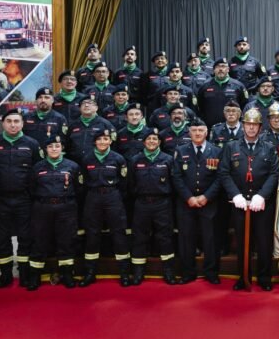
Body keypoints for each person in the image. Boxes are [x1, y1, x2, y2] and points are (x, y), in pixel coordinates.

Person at [219, 108, 279, 291]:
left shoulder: (268, 147)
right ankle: (243, 276)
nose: (251, 128)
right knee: (242, 242)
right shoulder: (232, 147)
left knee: (264, 242)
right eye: (248, 124)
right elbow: (224, 172)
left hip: (263, 204)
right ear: (243, 125)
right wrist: (235, 194)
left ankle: (264, 277)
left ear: (260, 127)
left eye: (255, 125)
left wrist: (262, 195)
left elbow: (274, 173)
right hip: (239, 203)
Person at [0, 108, 42, 288]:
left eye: (16, 121)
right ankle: (5, 274)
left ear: (22, 124)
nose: (13, 124)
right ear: (3, 123)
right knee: (1, 238)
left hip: (24, 199)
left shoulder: (32, 143)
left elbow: (36, 172)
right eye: (9, 121)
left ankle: (24, 273)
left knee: (26, 237)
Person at [172, 118, 223, 284]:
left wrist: (206, 197)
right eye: (194, 130)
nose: (197, 133)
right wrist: (189, 197)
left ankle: (211, 272)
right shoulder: (180, 151)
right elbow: (177, 177)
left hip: (209, 202)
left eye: (201, 130)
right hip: (186, 203)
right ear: (189, 132)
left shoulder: (216, 151)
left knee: (211, 239)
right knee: (186, 239)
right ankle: (188, 272)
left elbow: (220, 178)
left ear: (206, 132)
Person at [27, 135, 81, 290]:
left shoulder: (73, 166)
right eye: (50, 147)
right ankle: (34, 276)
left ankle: (67, 274)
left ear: (62, 148)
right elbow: (31, 188)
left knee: (66, 241)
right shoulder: (37, 167)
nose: (54, 149)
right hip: (42, 208)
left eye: (57, 146)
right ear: (46, 150)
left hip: (66, 208)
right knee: (39, 241)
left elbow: (79, 189)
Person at [79, 129, 131, 287]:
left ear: (110, 141)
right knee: (92, 234)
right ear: (95, 141)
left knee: (119, 233)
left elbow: (124, 183)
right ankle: (90, 273)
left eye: (106, 139)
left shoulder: (118, 158)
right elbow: (83, 181)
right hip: (93, 197)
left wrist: (114, 195)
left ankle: (124, 273)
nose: (102, 142)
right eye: (99, 139)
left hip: (113, 197)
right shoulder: (87, 158)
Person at [128, 128, 177, 286]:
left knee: (165, 237)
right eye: (148, 139)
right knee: (139, 237)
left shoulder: (168, 159)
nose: (151, 142)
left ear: (160, 142)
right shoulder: (135, 160)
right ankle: (138, 272)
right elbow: (130, 184)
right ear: (143, 142)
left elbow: (174, 182)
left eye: (155, 139)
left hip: (162, 203)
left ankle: (168, 271)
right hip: (142, 203)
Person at [197, 57, 248, 129]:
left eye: (223, 66)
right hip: (209, 128)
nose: (220, 69)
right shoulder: (205, 86)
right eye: (218, 67)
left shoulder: (238, 86)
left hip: (232, 128)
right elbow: (200, 107)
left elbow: (244, 106)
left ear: (228, 69)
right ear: (214, 70)